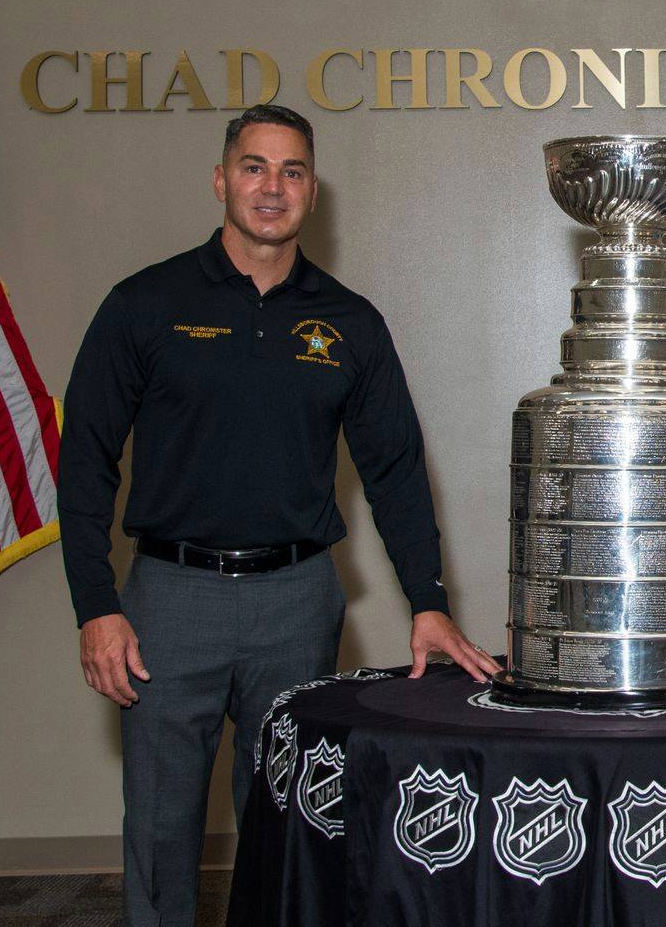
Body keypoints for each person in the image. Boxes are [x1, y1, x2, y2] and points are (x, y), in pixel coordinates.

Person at [58, 104, 500, 926]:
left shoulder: (351, 322)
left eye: (292, 171)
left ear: (311, 191)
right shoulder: (144, 304)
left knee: (290, 826)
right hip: (167, 602)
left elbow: (396, 471)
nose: (272, 186)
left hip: (295, 601)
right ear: (221, 180)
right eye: (255, 167)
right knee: (159, 832)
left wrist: (428, 599)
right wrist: (97, 605)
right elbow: (84, 457)